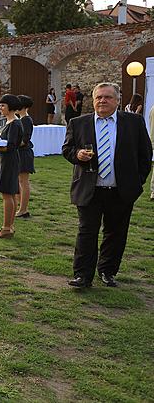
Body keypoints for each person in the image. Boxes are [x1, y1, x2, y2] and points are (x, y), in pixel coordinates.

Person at [62, 83, 152, 288]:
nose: (102, 101)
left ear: (118, 100)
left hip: (120, 190)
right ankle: (83, 275)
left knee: (116, 232)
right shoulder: (79, 123)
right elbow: (67, 149)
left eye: (108, 97)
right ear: (93, 100)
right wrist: (77, 155)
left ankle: (108, 271)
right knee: (87, 232)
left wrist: (137, 182)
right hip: (89, 188)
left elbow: (145, 155)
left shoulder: (133, 122)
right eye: (99, 97)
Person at [0, 94, 23, 238]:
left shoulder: (14, 124)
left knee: (7, 193)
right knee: (10, 193)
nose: (0, 108)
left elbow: (10, 146)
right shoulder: (11, 122)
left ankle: (6, 227)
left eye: (3, 106)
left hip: (9, 160)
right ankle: (9, 226)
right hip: (8, 159)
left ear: (10, 107)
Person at [16, 95, 35, 218]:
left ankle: (23, 209)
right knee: (19, 181)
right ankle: (21, 207)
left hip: (24, 153)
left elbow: (24, 140)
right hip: (20, 153)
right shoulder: (21, 120)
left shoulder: (26, 120)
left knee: (23, 181)